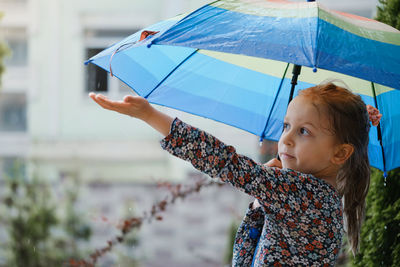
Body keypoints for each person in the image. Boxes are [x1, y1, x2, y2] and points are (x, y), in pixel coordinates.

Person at [89, 82, 379, 266]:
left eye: (304, 131)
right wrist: (264, 194)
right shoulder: (314, 195)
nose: (286, 140)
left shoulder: (305, 193)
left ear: (340, 154)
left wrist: (150, 116)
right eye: (286, 126)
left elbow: (227, 163)